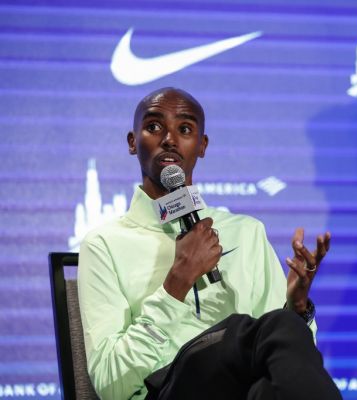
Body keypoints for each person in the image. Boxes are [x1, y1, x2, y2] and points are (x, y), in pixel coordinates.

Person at [77, 87, 342, 400]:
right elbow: (111, 385)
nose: (170, 140)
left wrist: (296, 311)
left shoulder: (246, 232)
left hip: (246, 390)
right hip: (167, 392)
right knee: (270, 330)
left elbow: (292, 363)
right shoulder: (104, 245)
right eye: (154, 127)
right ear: (133, 142)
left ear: (201, 146)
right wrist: (176, 282)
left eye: (185, 129)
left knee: (281, 337)